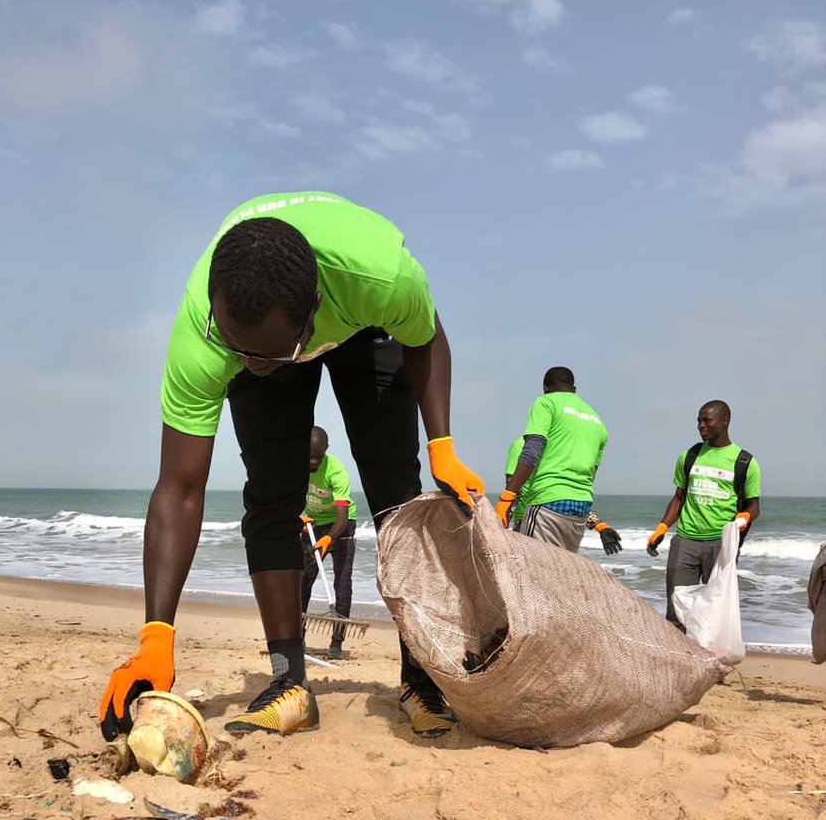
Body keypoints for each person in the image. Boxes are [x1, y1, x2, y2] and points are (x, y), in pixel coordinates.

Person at [101, 192, 483, 741]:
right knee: (271, 497)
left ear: (313, 313)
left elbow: (426, 338)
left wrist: (441, 443)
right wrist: (156, 635)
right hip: (271, 330)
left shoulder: (382, 278)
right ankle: (289, 684)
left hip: (361, 327)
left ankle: (419, 679)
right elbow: (179, 489)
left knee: (397, 497)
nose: (252, 365)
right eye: (238, 351)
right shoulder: (205, 336)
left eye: (267, 354)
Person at [646, 400, 760, 628]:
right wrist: (661, 528)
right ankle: (677, 662)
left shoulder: (745, 462)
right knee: (676, 611)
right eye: (699, 420)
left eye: (707, 420)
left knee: (715, 614)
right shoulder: (689, 456)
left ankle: (710, 661)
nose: (701, 425)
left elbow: (754, 505)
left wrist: (743, 519)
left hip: (720, 545)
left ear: (725, 421)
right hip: (685, 541)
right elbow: (679, 498)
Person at [494, 368, 620, 555]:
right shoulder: (597, 421)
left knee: (532, 575)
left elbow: (530, 456)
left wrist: (503, 505)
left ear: (545, 388)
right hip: (580, 507)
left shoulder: (544, 406)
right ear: (574, 389)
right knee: (558, 574)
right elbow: (590, 474)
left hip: (543, 507)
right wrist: (599, 525)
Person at [301, 426, 357, 661]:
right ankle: (297, 636)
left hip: (340, 527)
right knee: (304, 579)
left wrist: (329, 538)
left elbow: (342, 518)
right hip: (312, 524)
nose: (313, 461)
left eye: (318, 456)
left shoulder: (336, 471)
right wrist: (299, 516)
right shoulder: (295, 465)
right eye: (310, 456)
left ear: (326, 450)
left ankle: (337, 642)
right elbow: (287, 497)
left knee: (342, 583)